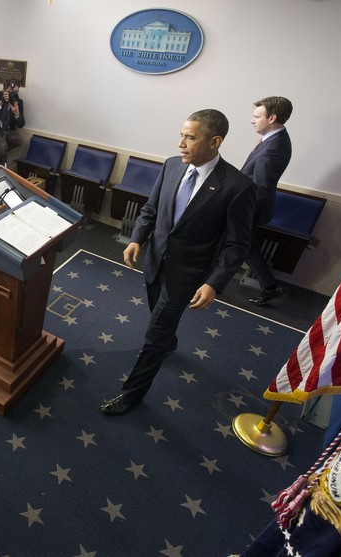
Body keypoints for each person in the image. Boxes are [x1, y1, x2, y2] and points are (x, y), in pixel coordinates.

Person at [99, 109, 257, 416]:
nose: (180, 143)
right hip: (154, 262)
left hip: (187, 275)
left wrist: (214, 282)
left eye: (189, 137)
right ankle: (168, 342)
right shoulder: (172, 166)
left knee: (154, 336)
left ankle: (131, 395)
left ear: (215, 141)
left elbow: (238, 244)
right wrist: (136, 239)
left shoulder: (238, 186)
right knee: (158, 317)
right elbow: (151, 209)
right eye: (181, 135)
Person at [242, 96, 293, 307]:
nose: (252, 120)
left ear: (272, 118)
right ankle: (270, 287)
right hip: (250, 205)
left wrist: (242, 212)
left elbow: (261, 187)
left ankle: (271, 287)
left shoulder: (273, 147)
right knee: (244, 246)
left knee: (244, 246)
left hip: (250, 207)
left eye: (256, 116)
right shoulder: (275, 139)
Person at [0, 79, 25, 164]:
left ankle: (2, 159)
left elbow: (21, 124)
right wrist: (1, 102)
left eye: (16, 92)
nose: (14, 94)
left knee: (21, 141)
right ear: (4, 90)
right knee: (2, 146)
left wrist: (17, 114)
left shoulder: (18, 102)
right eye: (12, 92)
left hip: (8, 130)